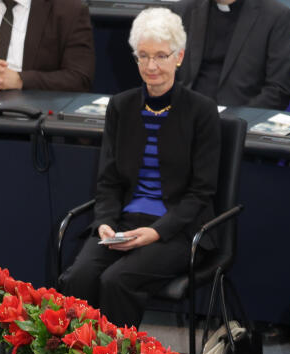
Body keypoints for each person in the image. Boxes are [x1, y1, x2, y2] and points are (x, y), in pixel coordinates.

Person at [58, 8, 220, 330]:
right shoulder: (121, 106)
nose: (151, 66)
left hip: (176, 229)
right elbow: (109, 181)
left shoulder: (201, 111)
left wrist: (156, 232)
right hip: (123, 222)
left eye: (161, 56)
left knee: (116, 281)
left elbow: (201, 193)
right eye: (143, 56)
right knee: (77, 278)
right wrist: (104, 222)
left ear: (179, 57)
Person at [176, 0, 290, 109]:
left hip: (238, 117)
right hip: (185, 111)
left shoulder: (276, 16)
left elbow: (278, 91)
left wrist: (238, 120)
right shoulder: (184, 10)